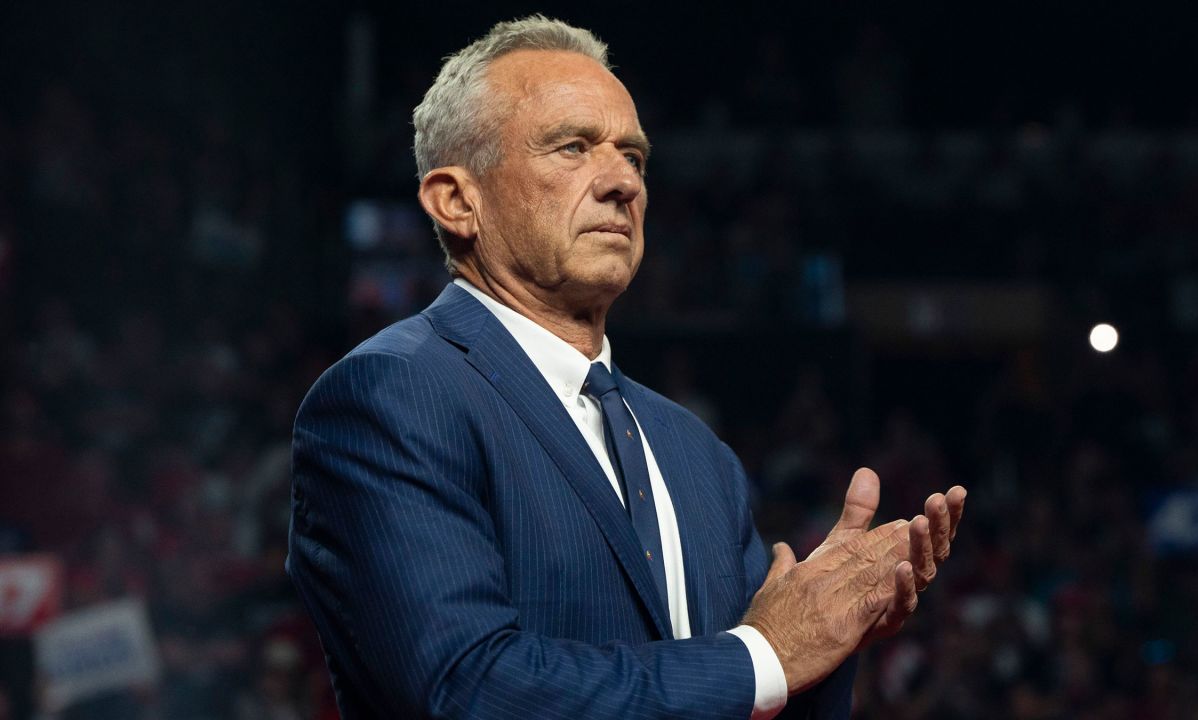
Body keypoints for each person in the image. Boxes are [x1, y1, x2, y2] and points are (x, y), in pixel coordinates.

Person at [286, 15, 967, 719]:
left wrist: (829, 641)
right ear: (458, 201)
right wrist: (766, 655)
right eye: (573, 146)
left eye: (634, 157)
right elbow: (466, 689)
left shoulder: (697, 453)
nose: (622, 183)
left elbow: (751, 688)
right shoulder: (391, 397)